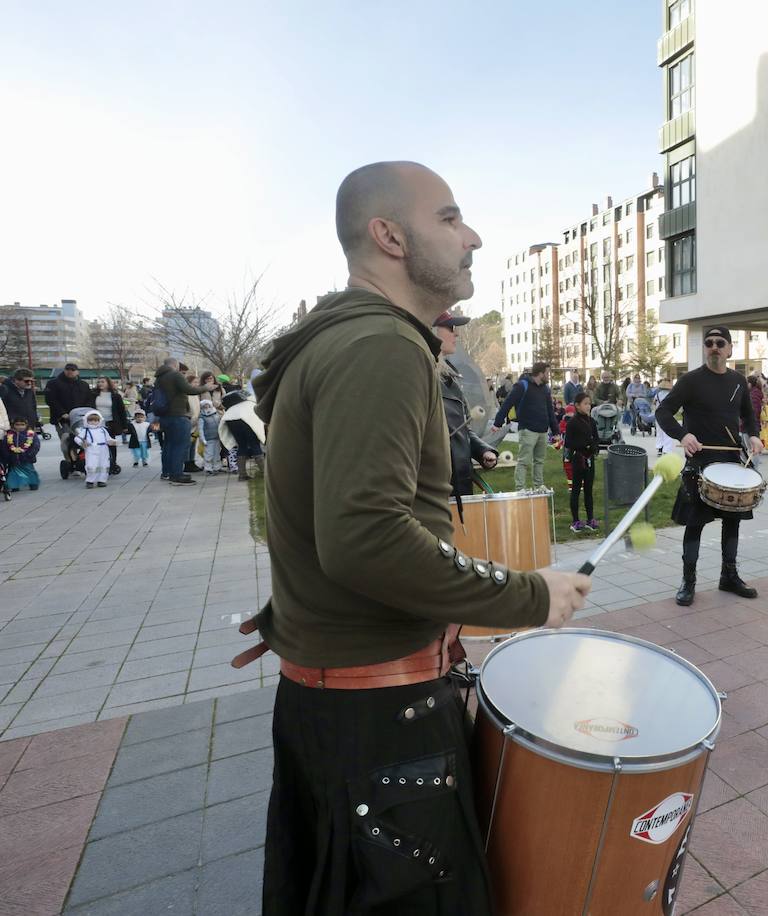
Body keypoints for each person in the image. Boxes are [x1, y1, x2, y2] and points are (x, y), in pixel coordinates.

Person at [242, 161, 591, 916]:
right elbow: (367, 537)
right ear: (389, 235)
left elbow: (328, 517)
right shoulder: (380, 345)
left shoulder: (339, 339)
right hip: (381, 720)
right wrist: (531, 594)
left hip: (340, 706)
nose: (472, 236)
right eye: (449, 218)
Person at [654, 325, 763, 606]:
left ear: (729, 349)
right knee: (695, 523)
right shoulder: (690, 381)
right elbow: (663, 411)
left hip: (730, 460)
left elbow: (749, 417)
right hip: (699, 462)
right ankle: (688, 581)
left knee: (733, 521)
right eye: (709, 343)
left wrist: (753, 436)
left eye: (720, 343)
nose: (714, 347)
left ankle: (729, 576)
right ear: (705, 348)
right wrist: (683, 435)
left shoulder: (739, 381)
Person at [433, 310, 498, 506]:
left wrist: (483, 450)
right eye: (451, 328)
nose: (456, 334)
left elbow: (463, 428)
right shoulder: (419, 376)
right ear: (432, 330)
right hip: (435, 491)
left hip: (461, 485)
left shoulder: (449, 378)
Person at [492, 361, 558, 489]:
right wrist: (497, 423)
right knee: (524, 461)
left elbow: (550, 410)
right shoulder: (523, 385)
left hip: (543, 431)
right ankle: (520, 488)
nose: (548, 376)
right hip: (527, 430)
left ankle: (538, 486)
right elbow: (507, 403)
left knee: (539, 461)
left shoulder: (545, 389)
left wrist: (556, 432)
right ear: (540, 373)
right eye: (547, 373)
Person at [151, 357, 214, 485]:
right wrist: (206, 387)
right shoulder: (175, 375)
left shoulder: (159, 378)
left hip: (165, 416)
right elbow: (189, 390)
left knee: (168, 445)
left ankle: (167, 472)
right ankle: (177, 475)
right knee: (180, 446)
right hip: (178, 415)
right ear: (176, 365)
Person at [563, 391, 599, 532]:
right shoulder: (572, 423)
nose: (588, 406)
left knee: (589, 490)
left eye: (589, 403)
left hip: (590, 459)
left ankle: (590, 519)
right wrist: (585, 445)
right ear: (577, 406)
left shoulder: (591, 421)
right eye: (585, 404)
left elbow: (596, 438)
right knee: (576, 490)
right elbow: (570, 442)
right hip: (578, 460)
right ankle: (575, 520)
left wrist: (593, 447)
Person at [219, 388, 266, 481]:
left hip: (230, 419)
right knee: (255, 445)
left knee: (242, 445)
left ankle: (242, 475)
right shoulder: (252, 403)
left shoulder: (236, 405)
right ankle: (265, 473)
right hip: (245, 419)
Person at [86, 377, 129, 472]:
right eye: (98, 382)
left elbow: (121, 411)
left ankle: (112, 463)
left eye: (102, 382)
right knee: (98, 444)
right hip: (96, 423)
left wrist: (124, 426)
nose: (100, 383)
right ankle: (99, 463)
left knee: (111, 444)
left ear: (108, 383)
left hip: (111, 423)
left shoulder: (115, 396)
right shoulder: (93, 395)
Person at [44, 362, 91, 438]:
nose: (70, 371)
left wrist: (86, 413)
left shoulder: (84, 385)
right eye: (67, 369)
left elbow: (88, 399)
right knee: (67, 442)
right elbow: (50, 400)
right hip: (62, 419)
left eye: (72, 370)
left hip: (80, 418)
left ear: (77, 372)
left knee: (83, 441)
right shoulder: (53, 383)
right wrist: (62, 413)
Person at [75, 409, 112, 489]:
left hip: (103, 449)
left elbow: (108, 439)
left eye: (96, 420)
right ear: (86, 421)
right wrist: (82, 443)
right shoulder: (85, 431)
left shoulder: (103, 430)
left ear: (100, 421)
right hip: (91, 449)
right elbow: (77, 439)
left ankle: (102, 480)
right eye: (91, 420)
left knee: (104, 464)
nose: (93, 422)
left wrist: (112, 442)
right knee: (92, 465)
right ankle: (90, 480)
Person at [2, 416, 41, 491]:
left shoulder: (31, 435)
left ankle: (33, 484)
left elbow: (36, 446)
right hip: (13, 458)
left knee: (30, 471)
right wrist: (7, 456)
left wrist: (30, 455)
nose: (20, 427)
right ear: (13, 425)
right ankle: (15, 486)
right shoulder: (9, 435)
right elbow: (5, 446)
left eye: (22, 424)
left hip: (27, 458)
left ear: (26, 425)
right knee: (14, 473)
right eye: (17, 424)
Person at [652, 377, 676, 456]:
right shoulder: (671, 394)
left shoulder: (657, 394)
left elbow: (654, 403)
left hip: (659, 415)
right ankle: (667, 450)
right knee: (668, 433)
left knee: (659, 432)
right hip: (668, 415)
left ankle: (659, 448)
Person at [198, 399, 223, 474]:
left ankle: (217, 467)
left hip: (217, 437)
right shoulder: (202, 417)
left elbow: (220, 425)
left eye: (208, 405)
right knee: (208, 454)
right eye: (205, 406)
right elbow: (200, 429)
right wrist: (203, 439)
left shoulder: (216, 415)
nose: (207, 407)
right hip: (208, 439)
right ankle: (208, 468)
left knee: (217, 453)